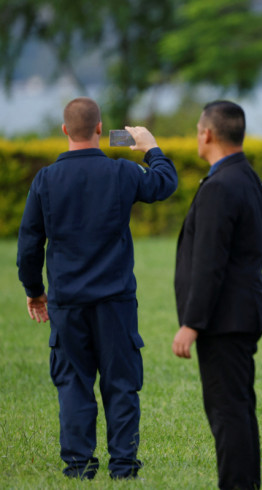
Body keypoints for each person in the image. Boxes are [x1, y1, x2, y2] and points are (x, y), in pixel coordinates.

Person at [17, 97, 177, 480]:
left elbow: (28, 246)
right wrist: (151, 147)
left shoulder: (45, 180)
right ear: (101, 130)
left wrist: (34, 289)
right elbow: (164, 184)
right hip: (115, 301)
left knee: (73, 383)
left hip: (67, 302)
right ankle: (123, 466)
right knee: (121, 385)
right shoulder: (121, 172)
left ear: (64, 131)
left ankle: (78, 465)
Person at [172, 101, 262, 489]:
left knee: (227, 411)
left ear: (207, 134)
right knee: (238, 407)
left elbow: (209, 262)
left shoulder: (221, 184)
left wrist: (191, 323)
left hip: (225, 317)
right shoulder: (246, 175)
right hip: (241, 311)